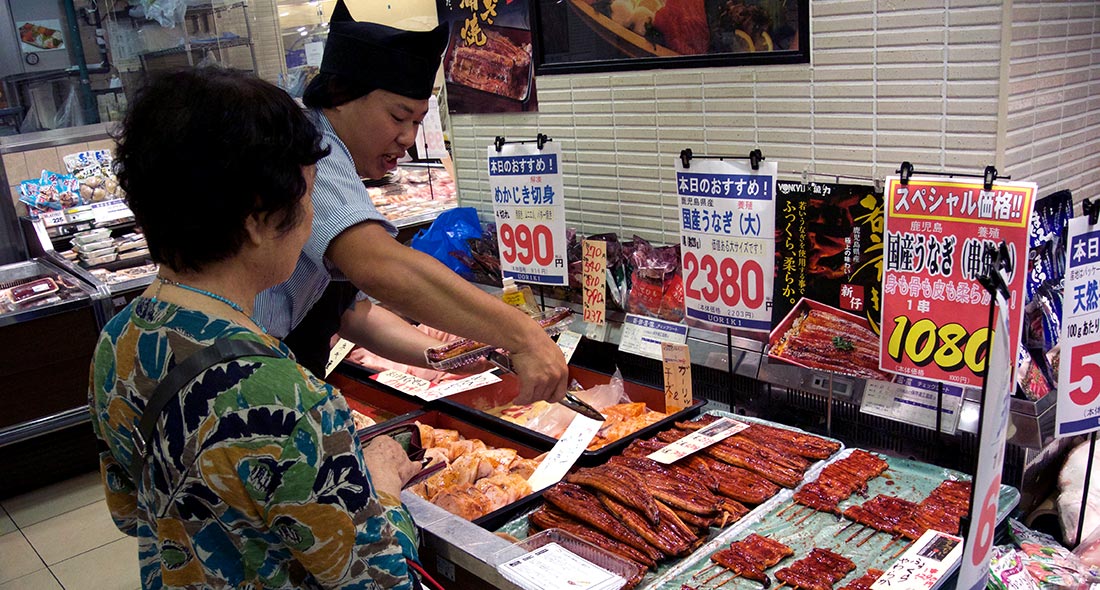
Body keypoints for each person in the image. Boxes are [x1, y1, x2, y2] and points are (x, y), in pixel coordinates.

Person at [89, 68, 424, 589]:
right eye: (308, 197)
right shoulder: (288, 399)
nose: (313, 218)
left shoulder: (118, 340)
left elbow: (130, 513)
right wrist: (381, 485)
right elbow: (378, 580)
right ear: (258, 218)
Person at [254, 0, 569, 404]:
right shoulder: (314, 148)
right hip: (248, 372)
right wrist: (522, 334)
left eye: (417, 121)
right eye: (398, 116)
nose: (408, 138)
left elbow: (353, 314)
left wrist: (452, 356)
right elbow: (378, 266)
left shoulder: (333, 153)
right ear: (340, 97)